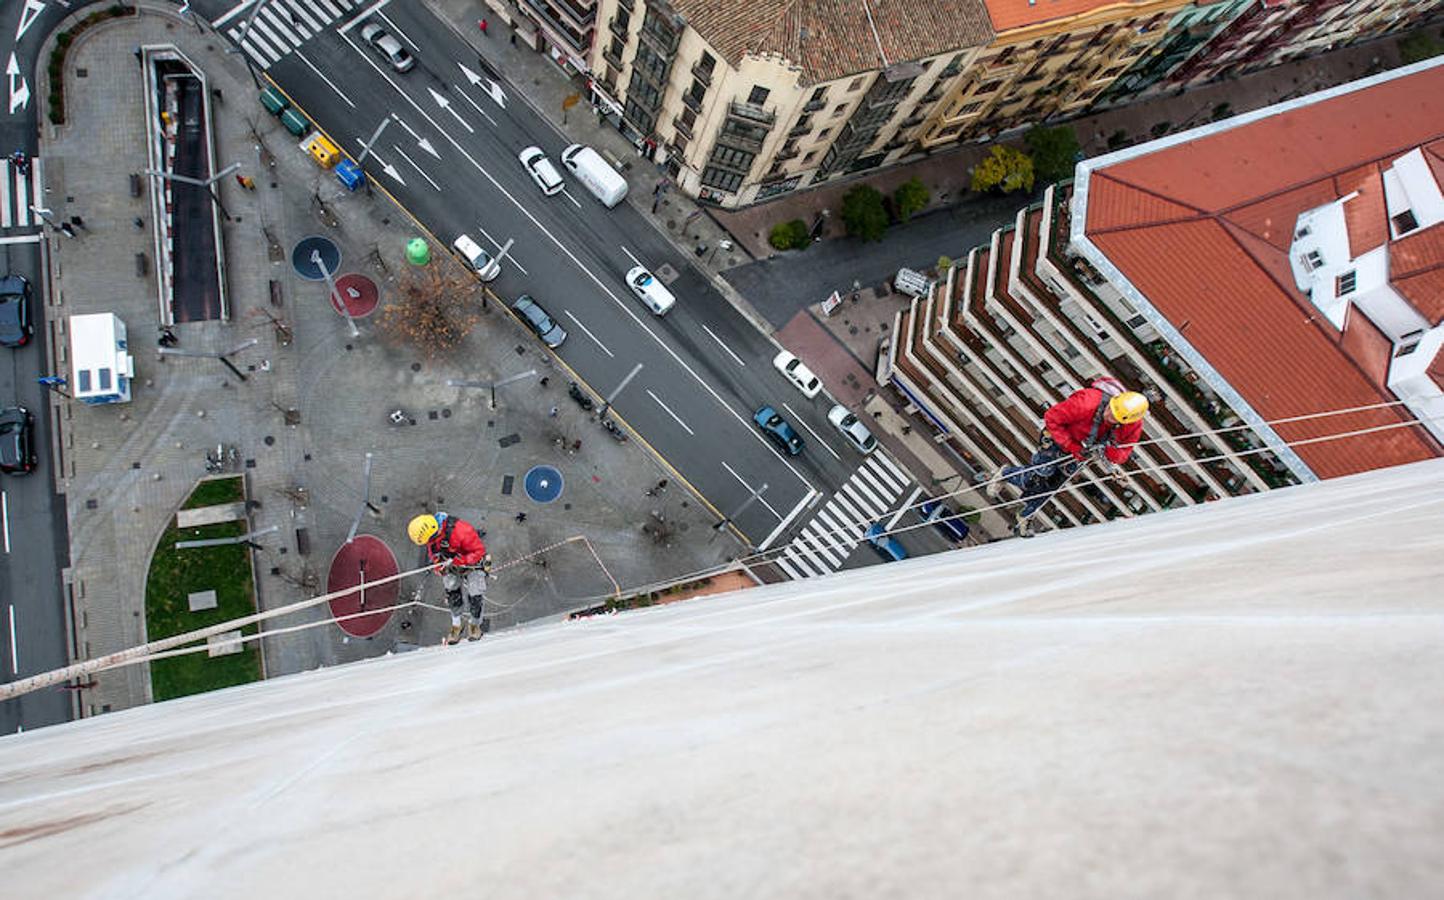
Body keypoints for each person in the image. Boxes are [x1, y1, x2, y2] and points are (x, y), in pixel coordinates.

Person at [990, 387, 1149, 538]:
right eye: (1110, 409)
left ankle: (1026, 514)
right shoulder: (1086, 402)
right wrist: (1071, 446)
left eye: (1114, 417)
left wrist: (1106, 450)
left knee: (1054, 483)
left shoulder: (1132, 426)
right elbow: (1052, 418)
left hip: (1083, 449)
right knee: (1042, 473)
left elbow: (1123, 454)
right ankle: (1006, 474)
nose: (1108, 415)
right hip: (1058, 436)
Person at [408, 513, 492, 644]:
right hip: (452, 564)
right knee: (451, 587)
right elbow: (434, 555)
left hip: (472, 562)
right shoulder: (432, 538)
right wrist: (439, 567)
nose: (430, 543)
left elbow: (479, 551)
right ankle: (457, 624)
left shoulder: (462, 530)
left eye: (430, 539)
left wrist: (462, 561)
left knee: (475, 591)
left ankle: (475, 624)